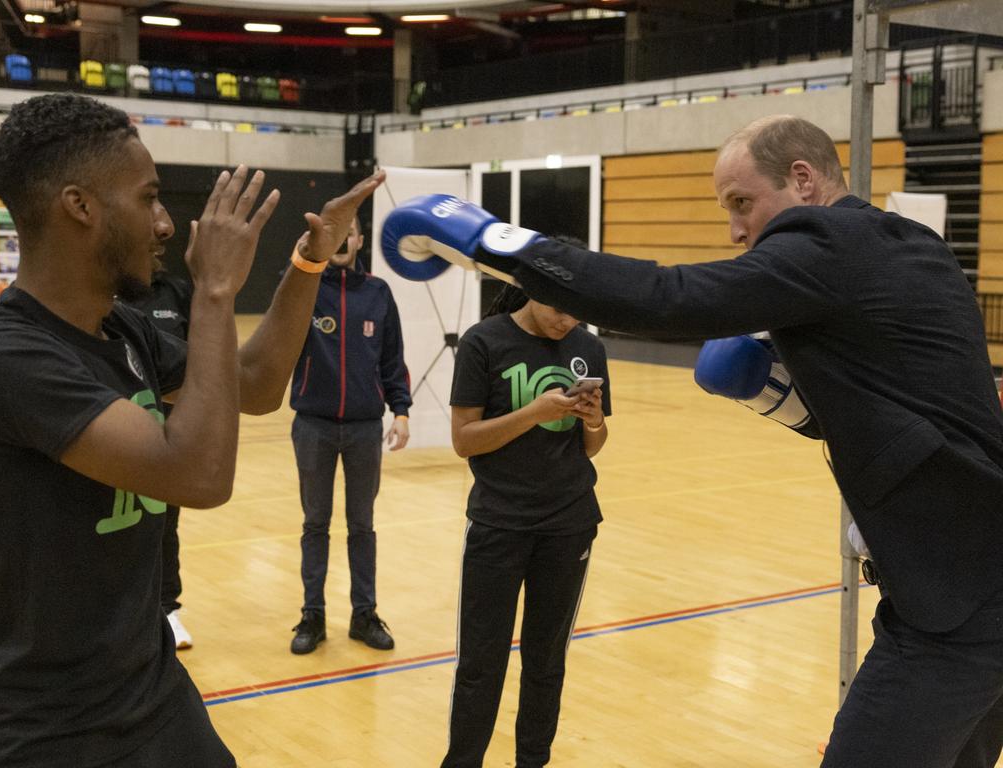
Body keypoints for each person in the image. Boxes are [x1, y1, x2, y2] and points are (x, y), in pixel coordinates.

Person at [381, 114, 1003, 768]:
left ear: (802, 180)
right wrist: (795, 404)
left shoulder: (825, 241)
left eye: (742, 204)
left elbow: (664, 298)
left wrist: (494, 241)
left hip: (952, 606)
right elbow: (914, 403)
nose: (736, 230)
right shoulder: (911, 245)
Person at [0, 92, 383, 768]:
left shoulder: (124, 329)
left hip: (148, 688)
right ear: (80, 207)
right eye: (149, 198)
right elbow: (198, 474)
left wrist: (310, 261)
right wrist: (217, 292)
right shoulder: (7, 358)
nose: (166, 224)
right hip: (43, 725)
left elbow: (253, 384)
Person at [441, 279, 610, 768]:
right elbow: (465, 440)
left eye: (576, 312)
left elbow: (591, 446)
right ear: (532, 290)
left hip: (570, 524)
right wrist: (533, 412)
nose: (566, 321)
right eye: (558, 308)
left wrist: (594, 420)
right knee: (481, 665)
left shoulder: (588, 348)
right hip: (499, 524)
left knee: (546, 662)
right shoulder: (483, 342)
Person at [288, 215, 410, 654]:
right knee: (314, 524)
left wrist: (401, 411)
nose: (341, 240)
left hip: (363, 429)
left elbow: (393, 359)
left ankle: (364, 614)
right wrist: (302, 264)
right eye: (331, 233)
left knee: (363, 526)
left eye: (349, 232)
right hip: (313, 427)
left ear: (360, 240)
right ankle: (312, 615)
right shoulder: (304, 289)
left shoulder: (378, 293)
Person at [128, 265, 194, 649]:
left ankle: (168, 609)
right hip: (118, 433)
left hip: (167, 435)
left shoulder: (176, 292)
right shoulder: (109, 298)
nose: (162, 227)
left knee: (165, 524)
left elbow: (199, 358)